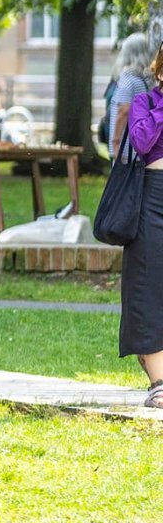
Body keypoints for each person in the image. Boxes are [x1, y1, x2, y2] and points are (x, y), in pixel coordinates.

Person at [115, 43, 163, 409]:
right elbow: (143, 141)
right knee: (146, 286)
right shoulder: (144, 102)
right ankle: (159, 382)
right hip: (151, 198)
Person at [109, 32, 153, 154]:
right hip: (139, 147)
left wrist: (115, 142)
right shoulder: (142, 80)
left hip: (125, 149)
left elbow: (124, 110)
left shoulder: (128, 78)